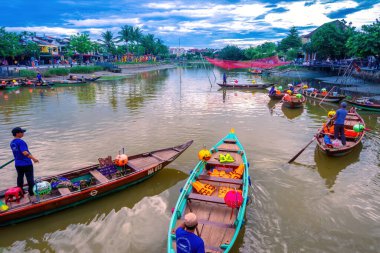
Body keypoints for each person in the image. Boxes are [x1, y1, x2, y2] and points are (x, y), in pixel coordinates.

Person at [10, 127, 39, 196]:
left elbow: (17, 152)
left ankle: (20, 191)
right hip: (26, 163)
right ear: (17, 134)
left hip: (18, 164)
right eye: (22, 132)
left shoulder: (12, 142)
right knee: (30, 178)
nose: (23, 133)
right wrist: (34, 159)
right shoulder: (21, 142)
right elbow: (25, 152)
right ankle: (31, 192)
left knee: (20, 178)